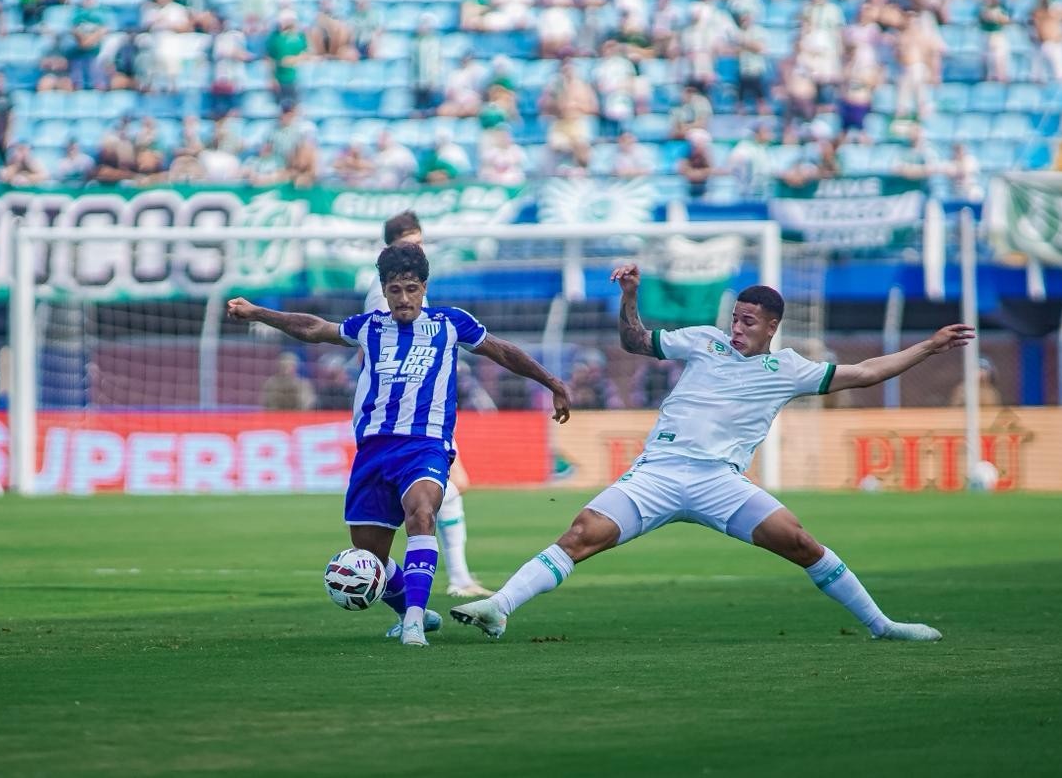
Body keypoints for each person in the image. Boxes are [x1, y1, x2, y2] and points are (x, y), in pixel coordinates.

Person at [452, 266, 974, 643]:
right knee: (581, 533)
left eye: (749, 322)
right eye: (736, 319)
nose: (738, 329)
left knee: (800, 541)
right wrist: (629, 296)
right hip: (657, 473)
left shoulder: (790, 369)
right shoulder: (704, 341)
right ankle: (500, 606)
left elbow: (869, 372)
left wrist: (928, 346)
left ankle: (882, 626)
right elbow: (635, 342)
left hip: (719, 483)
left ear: (772, 327)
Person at [227, 243, 571, 647]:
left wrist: (552, 382)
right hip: (374, 451)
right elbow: (312, 328)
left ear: (424, 288)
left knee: (422, 513)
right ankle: (416, 612)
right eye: (394, 290)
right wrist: (257, 312)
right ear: (384, 290)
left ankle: (410, 623)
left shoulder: (451, 323)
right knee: (371, 554)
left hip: (425, 445)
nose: (403, 298)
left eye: (411, 288)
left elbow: (503, 352)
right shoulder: (369, 326)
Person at [363, 211, 495, 599]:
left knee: (452, 491)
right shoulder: (383, 293)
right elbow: (377, 350)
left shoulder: (412, 287)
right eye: (410, 243)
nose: (419, 249)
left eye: (421, 242)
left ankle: (450, 582)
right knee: (442, 495)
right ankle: (448, 583)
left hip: (426, 412)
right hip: (403, 417)